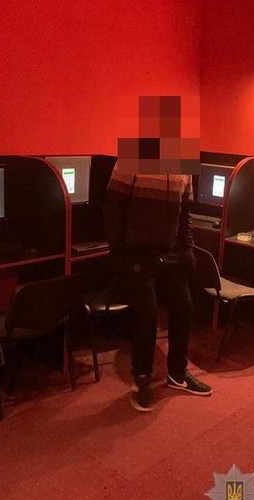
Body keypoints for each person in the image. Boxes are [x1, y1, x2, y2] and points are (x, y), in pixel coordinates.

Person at [103, 164, 213, 411]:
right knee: (147, 314)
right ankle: (141, 377)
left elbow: (184, 214)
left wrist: (187, 250)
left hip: (172, 252)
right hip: (136, 252)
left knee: (184, 308)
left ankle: (177, 373)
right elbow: (112, 207)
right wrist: (118, 252)